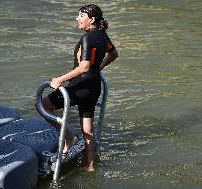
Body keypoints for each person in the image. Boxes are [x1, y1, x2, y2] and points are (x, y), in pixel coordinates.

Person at [37, 4, 118, 172]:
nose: (77, 18)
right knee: (88, 129)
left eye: (81, 15)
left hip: (79, 88)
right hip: (94, 88)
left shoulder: (87, 38)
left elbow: (85, 66)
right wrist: (100, 68)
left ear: (92, 19)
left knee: (43, 104)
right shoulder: (103, 35)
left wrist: (60, 79)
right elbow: (113, 54)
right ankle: (90, 166)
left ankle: (69, 138)